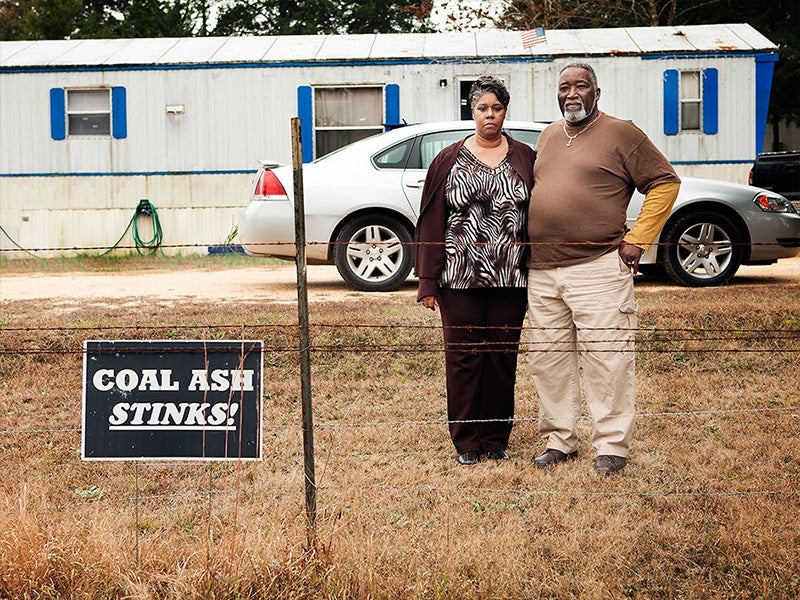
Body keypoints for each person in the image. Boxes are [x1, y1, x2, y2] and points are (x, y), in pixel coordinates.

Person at [526, 62, 681, 475]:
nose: (571, 93)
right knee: (548, 359)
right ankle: (560, 440)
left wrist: (638, 238)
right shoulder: (548, 136)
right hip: (542, 271)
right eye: (564, 87)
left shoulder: (621, 133)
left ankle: (611, 445)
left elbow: (665, 182)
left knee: (607, 358)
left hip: (597, 267)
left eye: (581, 86)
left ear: (597, 92)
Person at [415, 76, 535, 466]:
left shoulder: (524, 157)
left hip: (510, 277)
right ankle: (467, 441)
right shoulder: (448, 159)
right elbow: (431, 219)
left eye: (496, 108)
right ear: (471, 111)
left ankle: (496, 438)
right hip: (459, 278)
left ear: (505, 111)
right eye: (483, 108)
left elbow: (538, 212)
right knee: (464, 357)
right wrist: (428, 281)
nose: (490, 115)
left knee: (502, 356)